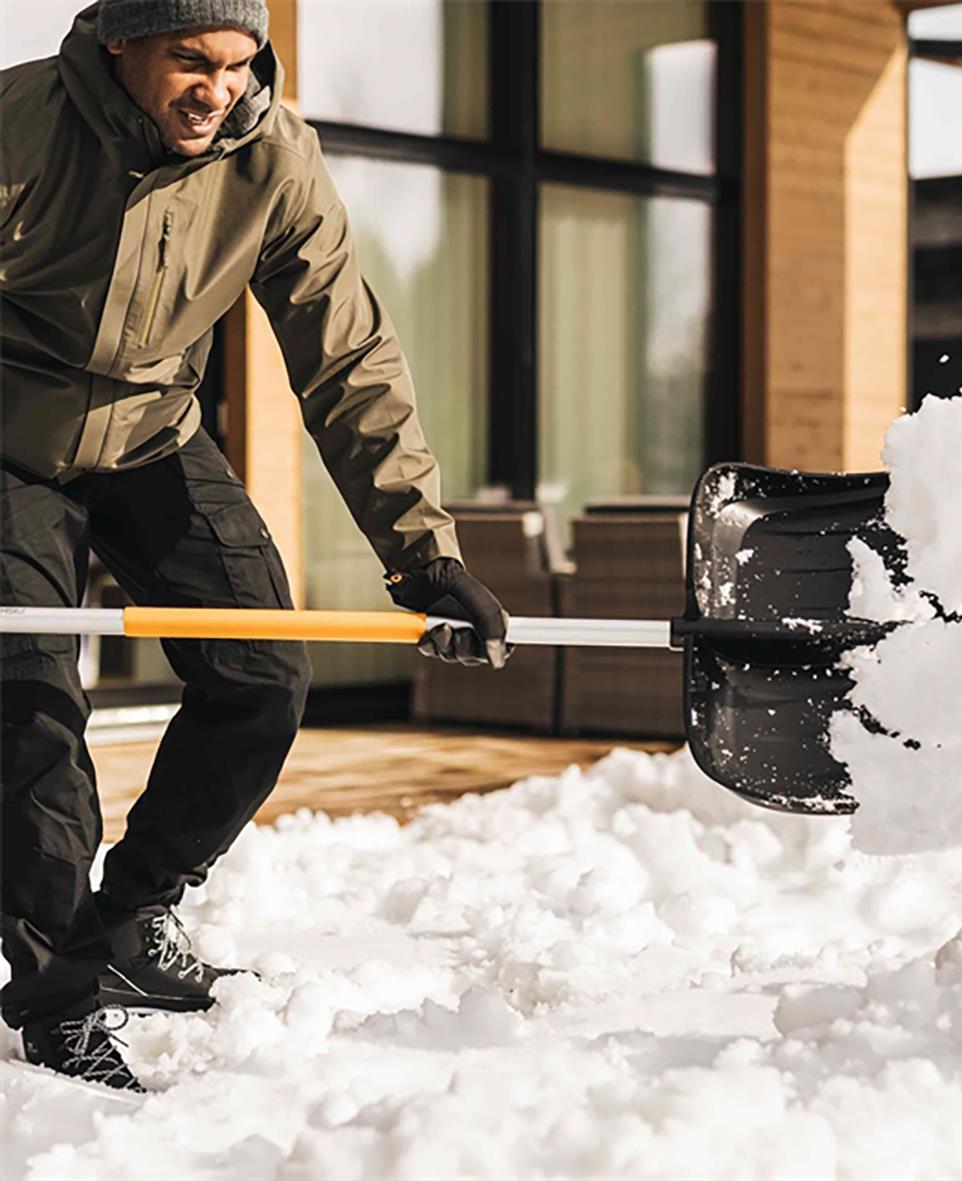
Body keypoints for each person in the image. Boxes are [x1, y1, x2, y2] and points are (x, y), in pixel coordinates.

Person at [0, 0, 509, 1093]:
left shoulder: (273, 158)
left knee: (262, 669)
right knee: (30, 704)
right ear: (121, 43)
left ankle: (132, 913)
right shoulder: (19, 124)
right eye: (191, 59)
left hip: (152, 430)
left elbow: (348, 356)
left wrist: (423, 554)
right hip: (7, 438)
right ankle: (57, 998)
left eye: (239, 64)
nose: (218, 89)